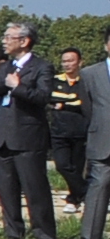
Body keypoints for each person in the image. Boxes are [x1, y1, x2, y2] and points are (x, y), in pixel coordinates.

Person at [0, 21, 58, 239]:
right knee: (6, 188)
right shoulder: (6, 67)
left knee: (35, 187)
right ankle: (13, 232)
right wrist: (4, 85)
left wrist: (17, 87)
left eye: (9, 37)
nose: (4, 41)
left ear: (24, 41)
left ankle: (44, 234)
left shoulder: (42, 67)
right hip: (4, 134)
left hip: (28, 136)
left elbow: (43, 97)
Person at [77, 49, 110, 239]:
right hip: (103, 140)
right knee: (98, 187)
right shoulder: (90, 74)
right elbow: (87, 108)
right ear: (106, 45)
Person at [52, 45, 88, 214]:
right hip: (59, 131)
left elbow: (82, 103)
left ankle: (74, 200)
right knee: (62, 165)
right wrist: (71, 102)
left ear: (80, 62)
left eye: (70, 61)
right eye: (64, 61)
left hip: (81, 131)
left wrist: (65, 103)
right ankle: (86, 192)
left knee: (77, 167)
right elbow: (51, 100)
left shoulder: (86, 81)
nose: (67, 64)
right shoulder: (55, 80)